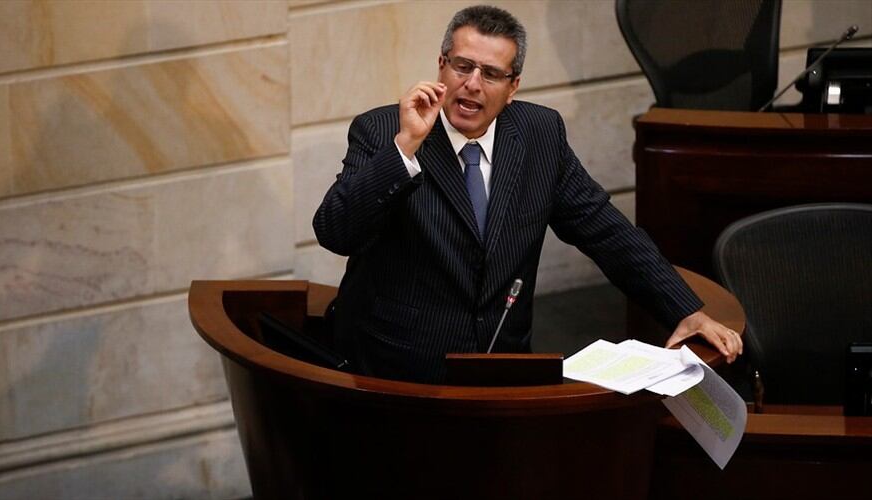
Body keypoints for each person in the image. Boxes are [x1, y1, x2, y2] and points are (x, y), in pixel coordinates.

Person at [314, 5, 742, 383]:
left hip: (503, 370)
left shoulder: (539, 135)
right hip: (399, 374)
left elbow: (607, 233)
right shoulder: (382, 130)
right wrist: (405, 146)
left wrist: (684, 309)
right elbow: (335, 231)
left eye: (492, 74)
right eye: (462, 67)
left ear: (513, 85)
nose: (473, 85)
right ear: (441, 66)